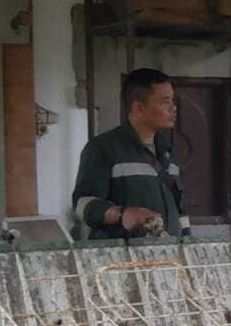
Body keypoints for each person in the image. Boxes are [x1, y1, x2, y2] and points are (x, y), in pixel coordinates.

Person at [72, 68, 190, 240]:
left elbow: (181, 211)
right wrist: (121, 214)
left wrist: (188, 243)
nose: (174, 107)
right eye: (165, 101)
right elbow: (81, 203)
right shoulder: (104, 147)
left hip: (167, 258)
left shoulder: (168, 152)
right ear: (139, 107)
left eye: (172, 100)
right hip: (121, 259)